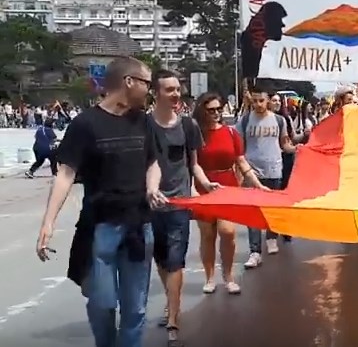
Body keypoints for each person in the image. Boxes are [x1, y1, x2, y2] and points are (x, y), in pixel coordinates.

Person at [35, 57, 167, 347]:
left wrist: (152, 187)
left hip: (138, 226)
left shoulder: (143, 120)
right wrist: (48, 222)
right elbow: (65, 173)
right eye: (147, 83)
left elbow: (152, 162)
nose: (149, 90)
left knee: (136, 309)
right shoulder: (85, 124)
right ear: (128, 82)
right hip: (100, 228)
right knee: (102, 304)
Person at [149, 70, 219, 345]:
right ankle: (171, 300)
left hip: (180, 204)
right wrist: (150, 190)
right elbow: (148, 163)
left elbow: (194, 164)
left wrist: (204, 183)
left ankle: (173, 316)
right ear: (157, 93)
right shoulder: (144, 126)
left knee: (176, 260)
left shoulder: (188, 126)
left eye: (178, 89)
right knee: (161, 259)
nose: (176, 94)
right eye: (170, 90)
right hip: (152, 205)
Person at [193, 92, 264, 295]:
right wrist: (196, 187)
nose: (216, 113)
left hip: (228, 185)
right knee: (207, 235)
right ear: (202, 111)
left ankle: (229, 276)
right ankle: (209, 278)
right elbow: (192, 163)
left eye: (219, 109)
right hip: (204, 185)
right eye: (211, 110)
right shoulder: (196, 134)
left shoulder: (231, 133)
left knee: (228, 232)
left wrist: (257, 185)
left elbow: (241, 162)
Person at [239, 88, 299, 268]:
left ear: (268, 102)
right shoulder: (245, 120)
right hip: (252, 172)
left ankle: (271, 237)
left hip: (274, 170)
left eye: (261, 101)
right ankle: (255, 251)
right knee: (252, 213)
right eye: (255, 101)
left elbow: (285, 144)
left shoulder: (279, 120)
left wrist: (298, 149)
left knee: (271, 208)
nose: (258, 104)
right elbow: (239, 147)